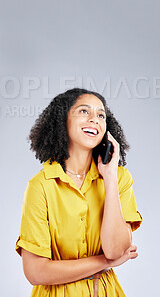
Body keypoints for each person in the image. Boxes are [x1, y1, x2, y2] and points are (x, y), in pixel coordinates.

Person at [15, 88, 143, 297]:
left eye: (101, 115)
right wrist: (105, 262)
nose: (95, 119)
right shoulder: (41, 185)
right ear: (62, 121)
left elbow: (115, 249)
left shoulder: (119, 178)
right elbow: (36, 271)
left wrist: (109, 177)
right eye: (84, 112)